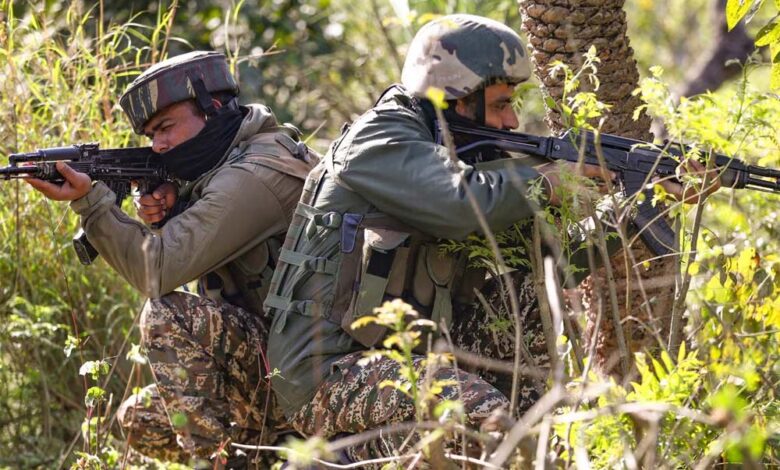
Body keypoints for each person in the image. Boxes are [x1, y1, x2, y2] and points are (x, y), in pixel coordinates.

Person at [263, 14, 718, 465]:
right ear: (456, 98)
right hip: (328, 372)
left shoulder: (465, 154)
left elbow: (557, 258)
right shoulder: (379, 139)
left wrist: (641, 202)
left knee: (527, 295)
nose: (512, 120)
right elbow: (459, 204)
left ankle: (529, 439)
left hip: (408, 352)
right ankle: (341, 459)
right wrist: (552, 181)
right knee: (481, 421)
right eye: (500, 105)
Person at [26, 51, 316, 466]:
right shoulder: (225, 164)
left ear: (213, 109)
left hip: (309, 372)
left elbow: (157, 271)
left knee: (166, 313)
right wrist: (178, 205)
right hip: (277, 357)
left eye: (165, 128)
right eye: (150, 135)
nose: (158, 145)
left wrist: (92, 203)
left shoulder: (255, 173)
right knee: (141, 418)